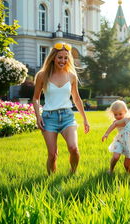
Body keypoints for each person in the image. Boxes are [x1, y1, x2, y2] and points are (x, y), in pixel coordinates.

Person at [33, 42, 90, 175]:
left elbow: (76, 98)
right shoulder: (42, 75)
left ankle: (73, 173)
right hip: (49, 118)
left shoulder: (71, 76)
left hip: (67, 117)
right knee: (52, 154)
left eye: (66, 58)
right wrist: (38, 116)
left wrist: (85, 119)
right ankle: (50, 178)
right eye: (60, 57)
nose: (63, 61)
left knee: (74, 148)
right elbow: (35, 98)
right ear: (53, 57)